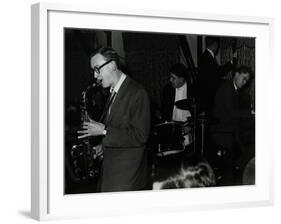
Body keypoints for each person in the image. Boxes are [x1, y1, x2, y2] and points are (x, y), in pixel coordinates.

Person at [78, 47, 151, 192]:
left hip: (127, 177)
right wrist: (103, 146)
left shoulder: (137, 92)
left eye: (97, 69)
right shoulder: (114, 91)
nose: (95, 75)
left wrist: (104, 131)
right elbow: (120, 127)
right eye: (93, 70)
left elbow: (140, 136)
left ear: (112, 65)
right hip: (112, 172)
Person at [210, 65, 252, 185]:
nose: (244, 83)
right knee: (244, 148)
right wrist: (251, 113)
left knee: (246, 143)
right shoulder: (227, 88)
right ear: (236, 74)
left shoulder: (232, 88)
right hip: (221, 132)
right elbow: (232, 113)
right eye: (244, 78)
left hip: (227, 129)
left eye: (246, 81)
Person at [197, 36, 237, 115]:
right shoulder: (207, 58)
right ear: (215, 44)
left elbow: (215, 72)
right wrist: (232, 62)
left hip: (207, 94)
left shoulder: (205, 56)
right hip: (209, 95)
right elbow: (219, 73)